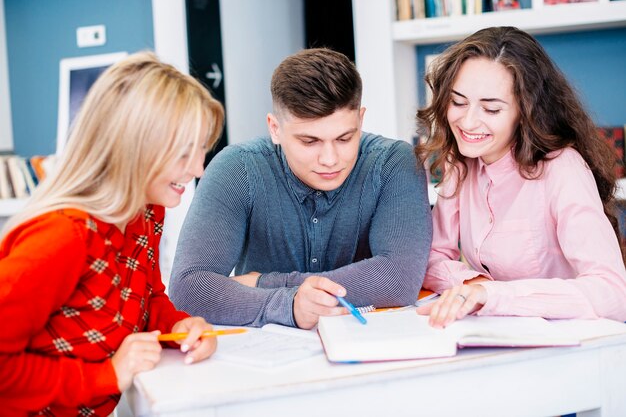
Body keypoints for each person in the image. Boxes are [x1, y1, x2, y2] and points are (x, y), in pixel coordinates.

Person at [0, 52, 225, 416]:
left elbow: (146, 297)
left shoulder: (147, 212)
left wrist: (178, 326)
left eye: (201, 150)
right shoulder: (62, 237)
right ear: (134, 148)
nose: (198, 168)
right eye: (185, 153)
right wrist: (106, 375)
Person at [169, 48, 432, 329]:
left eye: (345, 138)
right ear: (275, 128)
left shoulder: (395, 162)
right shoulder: (238, 169)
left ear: (361, 119)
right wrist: (290, 305)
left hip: (369, 345)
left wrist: (264, 283)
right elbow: (189, 288)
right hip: (264, 357)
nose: (330, 159)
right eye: (310, 141)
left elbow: (399, 278)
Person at [415, 26, 626, 328]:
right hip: (496, 336)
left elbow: (614, 294)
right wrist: (474, 284)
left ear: (525, 112)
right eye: (458, 102)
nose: (468, 121)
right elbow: (431, 257)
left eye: (491, 108)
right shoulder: (459, 162)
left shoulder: (562, 169)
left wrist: (491, 294)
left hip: (566, 342)